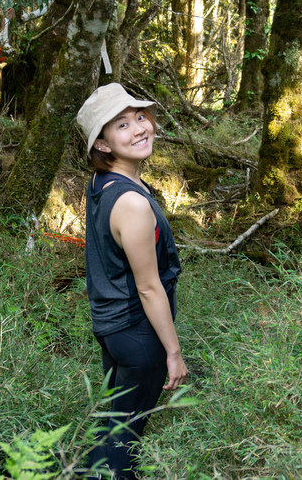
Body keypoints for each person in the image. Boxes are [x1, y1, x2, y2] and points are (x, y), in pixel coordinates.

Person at [75, 83, 187, 480]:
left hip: (111, 327)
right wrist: (172, 352)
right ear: (103, 145)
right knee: (126, 436)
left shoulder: (101, 183)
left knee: (113, 423)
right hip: (137, 332)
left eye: (140, 117)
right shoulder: (133, 203)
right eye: (121, 125)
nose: (139, 128)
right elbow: (149, 286)